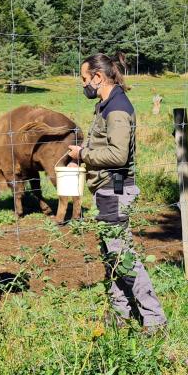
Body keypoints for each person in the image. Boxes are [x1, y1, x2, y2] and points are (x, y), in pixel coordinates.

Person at [68, 52, 167, 332]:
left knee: (122, 256)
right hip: (106, 188)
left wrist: (84, 154)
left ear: (98, 78)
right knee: (112, 254)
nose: (84, 85)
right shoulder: (105, 104)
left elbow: (119, 155)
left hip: (115, 188)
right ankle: (120, 316)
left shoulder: (118, 109)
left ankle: (155, 320)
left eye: (85, 79)